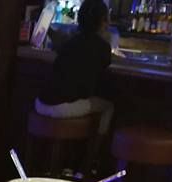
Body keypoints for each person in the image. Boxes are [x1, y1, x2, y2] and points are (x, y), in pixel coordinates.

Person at [36, 0, 114, 142]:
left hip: (40, 103)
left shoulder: (69, 41)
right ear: (102, 20)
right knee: (108, 106)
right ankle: (94, 151)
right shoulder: (102, 46)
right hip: (62, 106)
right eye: (106, 19)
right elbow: (104, 70)